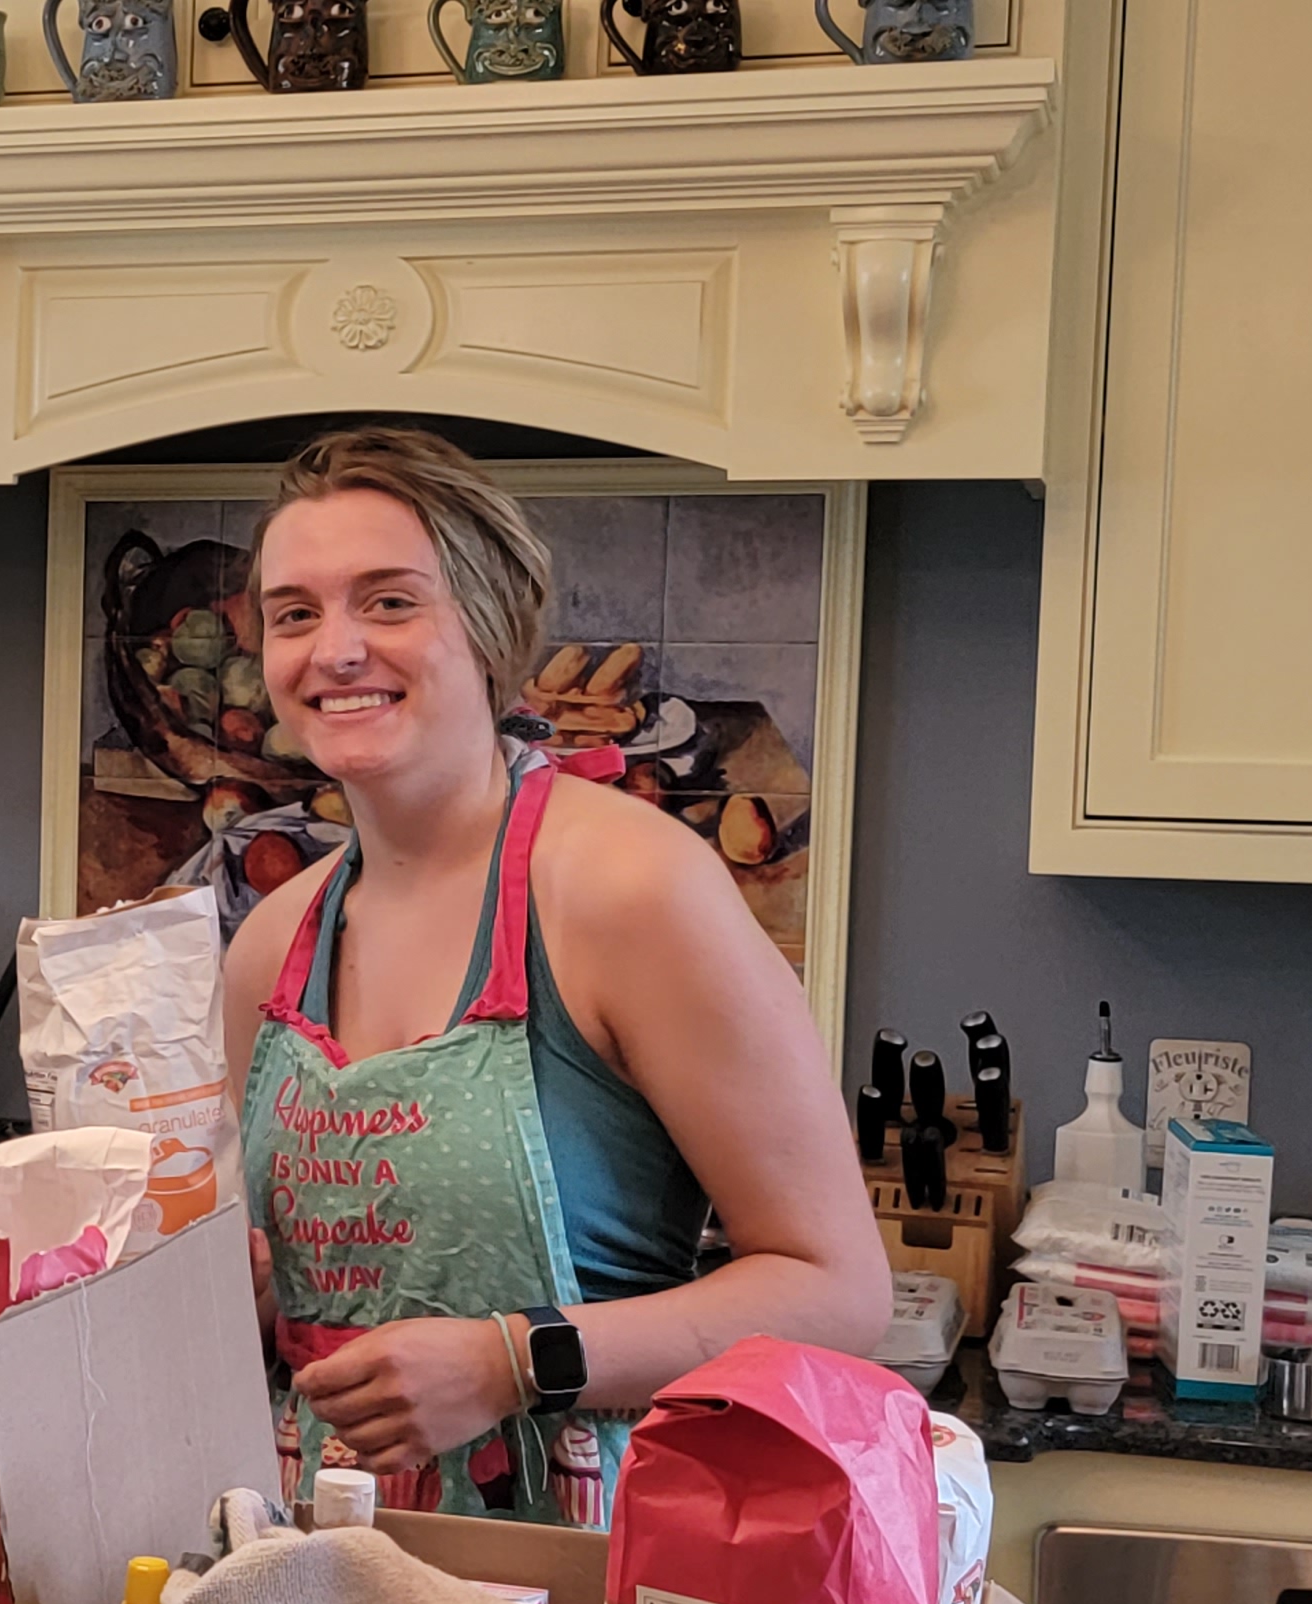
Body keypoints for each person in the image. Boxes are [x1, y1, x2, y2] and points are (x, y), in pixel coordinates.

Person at [216, 427, 888, 1527]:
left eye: (389, 603)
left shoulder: (630, 890)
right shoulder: (271, 950)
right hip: (314, 1575)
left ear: (487, 630)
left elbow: (839, 1291)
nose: (335, 650)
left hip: (580, 1572)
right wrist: (231, 1305)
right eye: (295, 614)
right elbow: (277, 1324)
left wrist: (510, 1362)